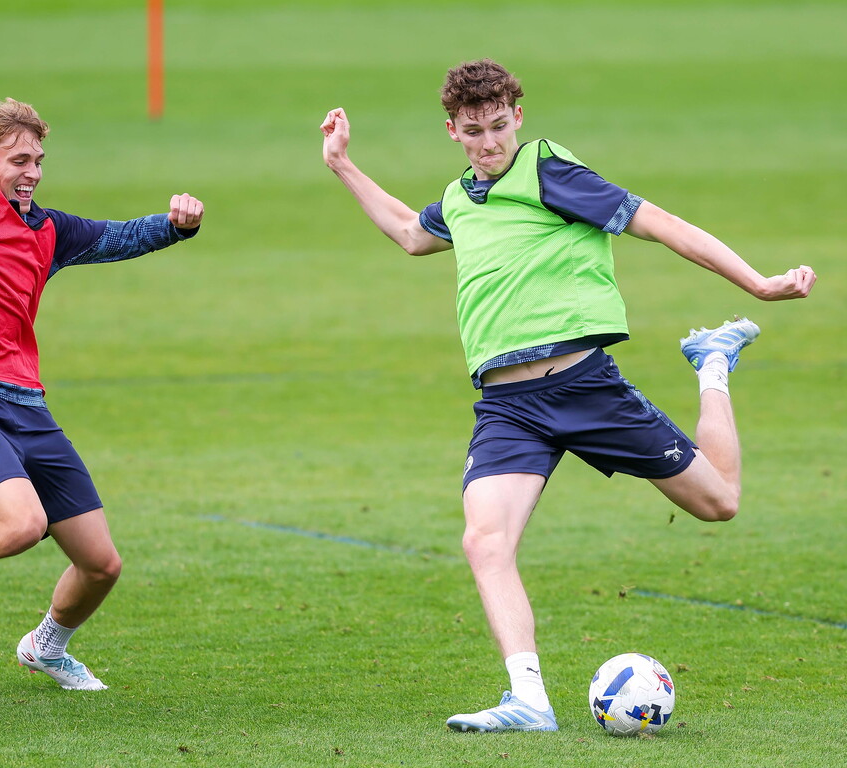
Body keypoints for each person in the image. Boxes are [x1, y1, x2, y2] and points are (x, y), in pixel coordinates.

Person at [320, 59, 816, 731]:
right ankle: (528, 700)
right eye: (474, 132)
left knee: (719, 502)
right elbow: (411, 233)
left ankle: (713, 363)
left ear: (518, 118)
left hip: (584, 388)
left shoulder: (549, 172)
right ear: (452, 131)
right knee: (484, 541)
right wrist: (342, 165)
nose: (489, 143)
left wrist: (756, 283)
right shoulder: (461, 199)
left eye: (499, 127)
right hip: (507, 407)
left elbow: (659, 222)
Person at [0, 98, 204, 691]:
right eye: (18, 161)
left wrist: (177, 226)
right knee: (22, 523)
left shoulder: (46, 229)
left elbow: (118, 237)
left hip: (25, 404)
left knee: (101, 564)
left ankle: (46, 647)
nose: (31, 172)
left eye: (37, 160)